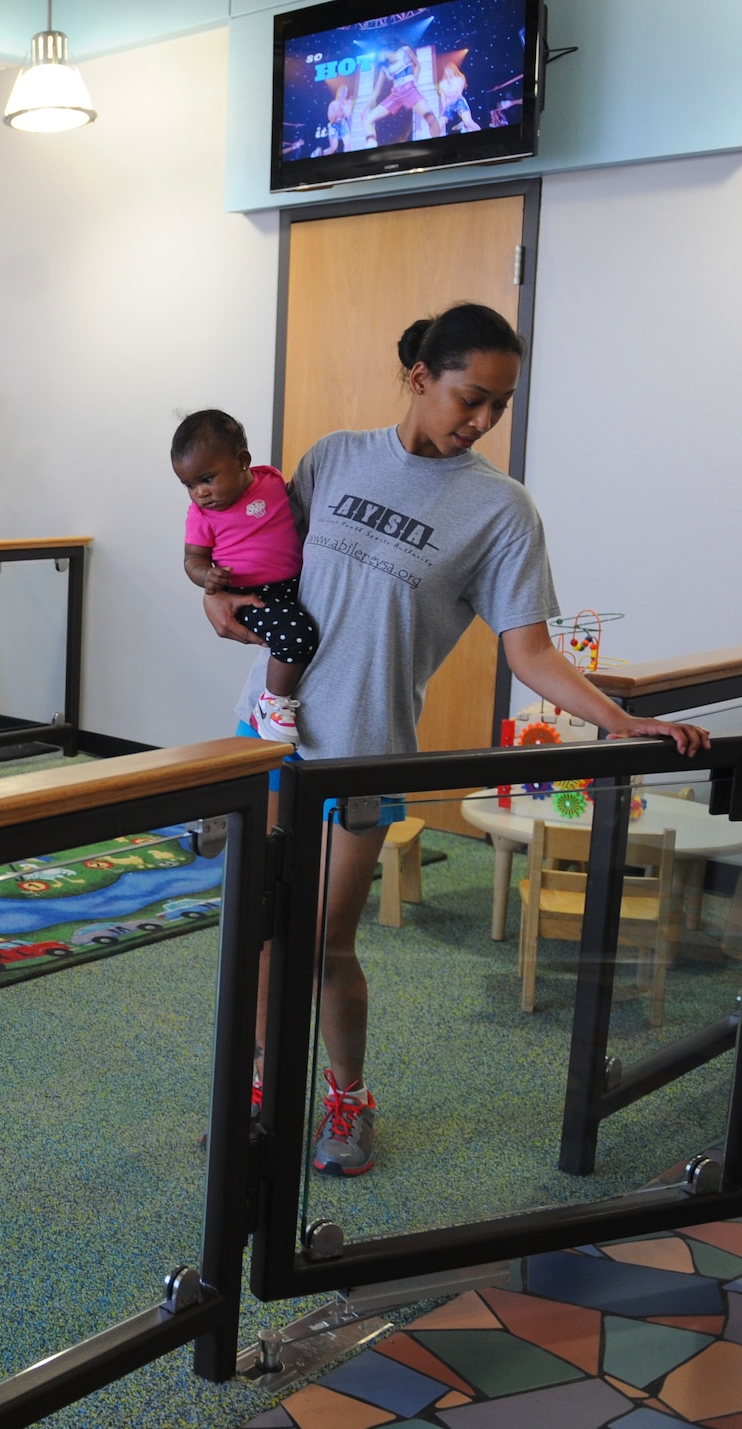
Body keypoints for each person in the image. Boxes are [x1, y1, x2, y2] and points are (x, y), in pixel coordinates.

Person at [201, 302, 711, 1178]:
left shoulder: (501, 511)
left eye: (498, 406)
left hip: (362, 751)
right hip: (268, 736)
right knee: (257, 933)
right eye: (469, 396)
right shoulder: (331, 458)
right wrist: (214, 596)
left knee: (324, 940)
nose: (480, 420)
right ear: (417, 378)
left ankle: (346, 1094)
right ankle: (253, 1090)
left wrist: (620, 721)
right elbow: (261, 564)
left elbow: (530, 650)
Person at [177, 410, 318, 745]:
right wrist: (208, 579)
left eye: (207, 479)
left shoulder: (270, 481)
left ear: (242, 461)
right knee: (297, 636)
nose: (200, 493)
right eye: (189, 485)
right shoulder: (201, 515)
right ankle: (272, 704)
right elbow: (192, 559)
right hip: (250, 595)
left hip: (292, 585)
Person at [372, 44, 444, 140]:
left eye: (379, 54)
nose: (379, 58)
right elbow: (386, 85)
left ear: (384, 49)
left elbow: (417, 65)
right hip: (397, 94)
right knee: (372, 119)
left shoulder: (404, 51)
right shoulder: (385, 68)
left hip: (411, 90)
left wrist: (414, 80)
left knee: (431, 118)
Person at [437, 62, 479, 133]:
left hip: (459, 101)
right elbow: (443, 99)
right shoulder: (442, 83)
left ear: (454, 70)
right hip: (448, 105)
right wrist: (443, 109)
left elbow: (459, 94)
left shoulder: (460, 78)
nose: (448, 72)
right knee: (439, 126)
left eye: (450, 70)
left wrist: (451, 96)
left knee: (468, 121)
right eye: (447, 70)